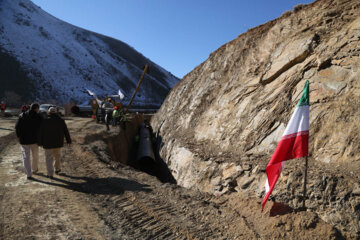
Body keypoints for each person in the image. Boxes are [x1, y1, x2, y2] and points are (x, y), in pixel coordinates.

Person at [38, 107, 71, 178]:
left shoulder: (45, 121)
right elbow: (66, 131)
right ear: (56, 112)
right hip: (58, 142)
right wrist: (68, 140)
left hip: (47, 143)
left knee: (49, 158)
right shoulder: (61, 120)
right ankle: (57, 169)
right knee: (57, 156)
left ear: (48, 112)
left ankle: (50, 174)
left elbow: (41, 132)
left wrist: (40, 142)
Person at [15, 103, 42, 180]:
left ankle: (28, 174)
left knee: (26, 157)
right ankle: (35, 169)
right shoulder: (39, 117)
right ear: (37, 108)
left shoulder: (22, 115)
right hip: (35, 141)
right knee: (35, 155)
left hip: (24, 140)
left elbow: (17, 127)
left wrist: (18, 136)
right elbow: (42, 129)